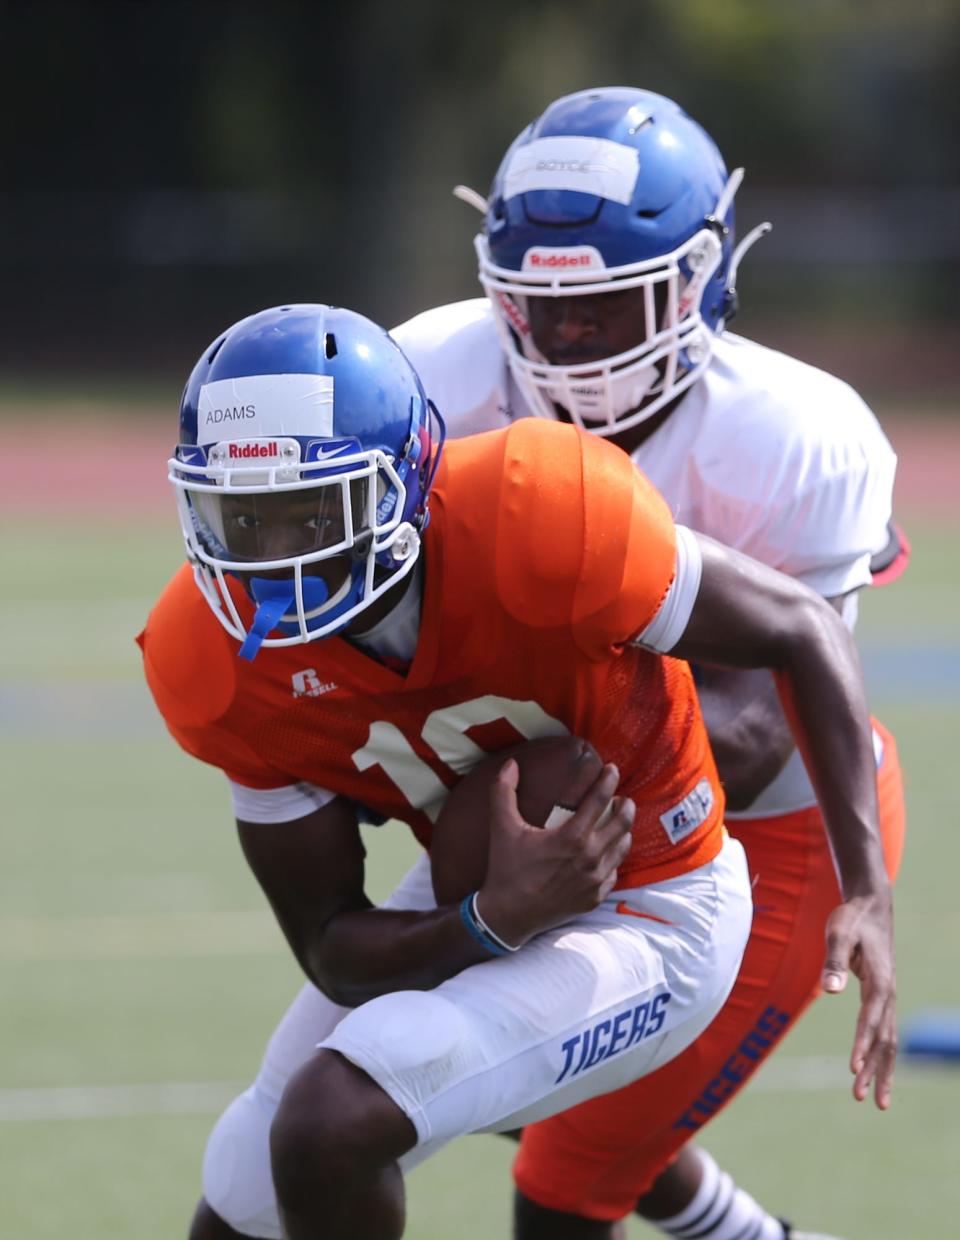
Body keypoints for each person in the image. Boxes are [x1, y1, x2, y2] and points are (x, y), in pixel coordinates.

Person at [138, 302, 895, 1240]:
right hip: (485, 877)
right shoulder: (210, 662)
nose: (276, 559)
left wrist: (865, 889)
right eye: (240, 518)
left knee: (333, 1122)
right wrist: (489, 922)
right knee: (246, 1189)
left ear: (401, 482)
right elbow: (331, 946)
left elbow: (803, 626)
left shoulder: (543, 511)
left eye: (312, 511)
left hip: (664, 898)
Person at [389, 87, 907, 1240]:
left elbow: (766, 720)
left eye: (607, 309)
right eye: (545, 310)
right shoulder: (432, 377)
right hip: (581, 793)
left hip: (771, 832)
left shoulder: (796, 434)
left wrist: (528, 748)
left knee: (563, 1182)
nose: (570, 343)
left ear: (697, 282)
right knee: (486, 1073)